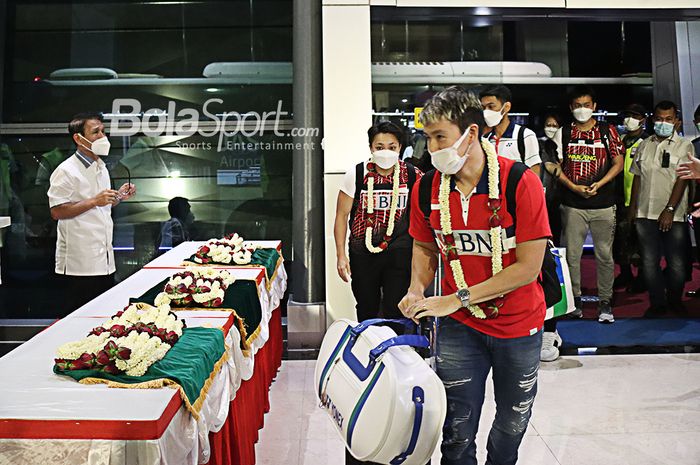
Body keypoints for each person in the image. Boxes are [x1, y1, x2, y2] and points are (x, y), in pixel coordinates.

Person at [400, 86, 550, 465]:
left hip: (517, 324)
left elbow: (529, 267)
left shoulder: (520, 183)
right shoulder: (427, 188)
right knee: (456, 426)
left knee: (512, 422)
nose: (432, 148)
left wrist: (455, 299)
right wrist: (417, 288)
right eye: (427, 137)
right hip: (458, 328)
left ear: (471, 133)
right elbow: (425, 245)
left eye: (440, 137)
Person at [333, 121, 421, 465]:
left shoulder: (414, 175)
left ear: (400, 148)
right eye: (379, 144)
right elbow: (341, 215)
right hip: (362, 249)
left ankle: (399, 365)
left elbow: (422, 216)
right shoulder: (356, 173)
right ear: (370, 146)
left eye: (391, 145)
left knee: (398, 308)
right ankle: (369, 362)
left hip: (401, 249)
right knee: (367, 307)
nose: (385, 150)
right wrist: (340, 254)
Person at [48, 112, 136, 315]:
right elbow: (57, 211)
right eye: (95, 132)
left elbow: (100, 206)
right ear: (78, 138)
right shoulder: (66, 170)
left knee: (102, 318)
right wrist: (95, 200)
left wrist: (119, 197)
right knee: (78, 320)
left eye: (103, 131)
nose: (102, 136)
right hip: (78, 263)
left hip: (104, 258)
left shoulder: (101, 166)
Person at [554, 85, 624, 323]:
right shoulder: (563, 133)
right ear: (571, 107)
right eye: (577, 105)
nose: (582, 110)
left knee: (604, 255)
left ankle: (605, 302)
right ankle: (574, 301)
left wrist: (601, 184)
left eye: (586, 105)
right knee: (571, 255)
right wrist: (573, 187)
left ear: (594, 106)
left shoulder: (608, 131)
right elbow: (554, 166)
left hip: (604, 204)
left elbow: (618, 162)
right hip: (572, 205)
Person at [629, 100, 694, 316]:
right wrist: (633, 208)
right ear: (653, 119)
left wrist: (669, 209)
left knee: (676, 263)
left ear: (677, 122)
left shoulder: (685, 145)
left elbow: (682, 180)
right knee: (649, 262)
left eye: (668, 119)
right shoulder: (644, 144)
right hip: (644, 212)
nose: (663, 123)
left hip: (672, 214)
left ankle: (675, 300)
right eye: (659, 119)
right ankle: (657, 303)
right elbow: (637, 177)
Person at [613, 104, 650, 292]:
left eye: (634, 116)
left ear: (643, 119)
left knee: (641, 241)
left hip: (641, 200)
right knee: (620, 239)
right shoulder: (620, 140)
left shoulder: (647, 142)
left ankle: (643, 277)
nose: (629, 120)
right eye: (627, 116)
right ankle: (625, 273)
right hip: (619, 199)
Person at [480, 85, 542, 177]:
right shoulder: (485, 139)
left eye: (491, 107)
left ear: (506, 107)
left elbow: (534, 173)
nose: (486, 112)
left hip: (517, 190)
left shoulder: (525, 135)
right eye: (484, 107)